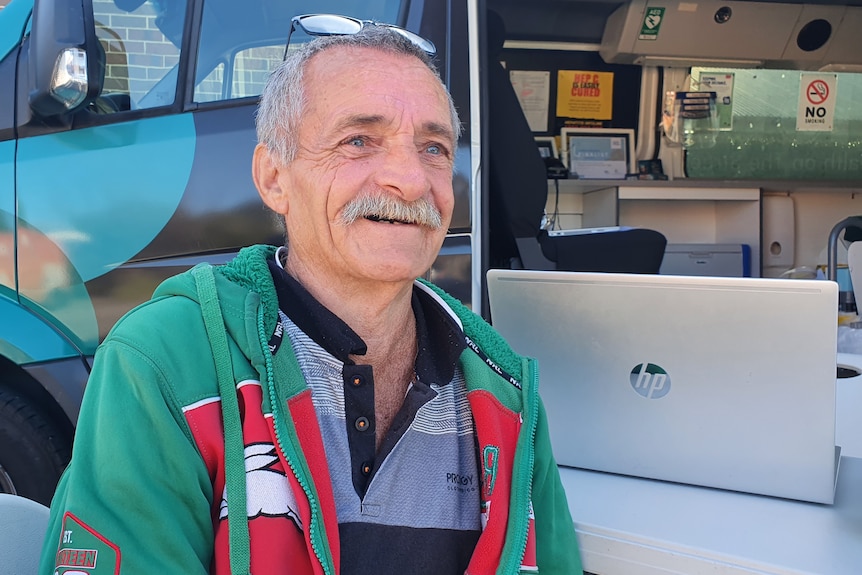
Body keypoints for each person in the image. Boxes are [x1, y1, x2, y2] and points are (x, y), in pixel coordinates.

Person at [40, 16, 583, 575]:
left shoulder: (506, 392)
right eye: (358, 141)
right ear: (274, 178)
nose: (412, 180)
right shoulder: (165, 364)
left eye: (434, 148)